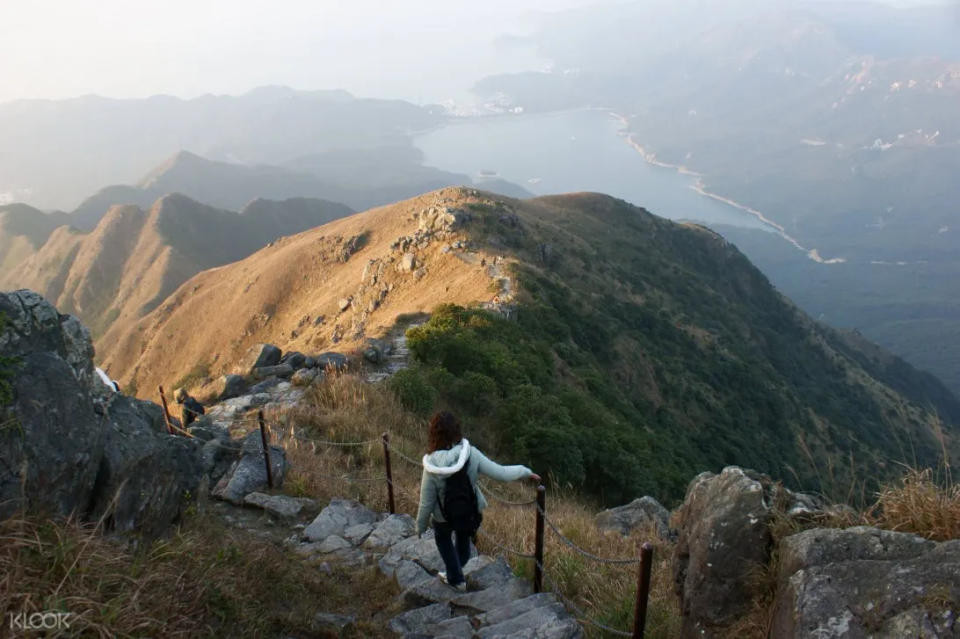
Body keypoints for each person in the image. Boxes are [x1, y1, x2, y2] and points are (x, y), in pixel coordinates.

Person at [415, 411, 540, 591]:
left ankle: (456, 579)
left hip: (442, 517)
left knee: (443, 539)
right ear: (457, 431)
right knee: (463, 540)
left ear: (434, 434)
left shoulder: (431, 465)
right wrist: (525, 472)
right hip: (466, 511)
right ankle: (457, 570)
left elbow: (426, 502)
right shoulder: (471, 454)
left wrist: (420, 527)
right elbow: (502, 473)